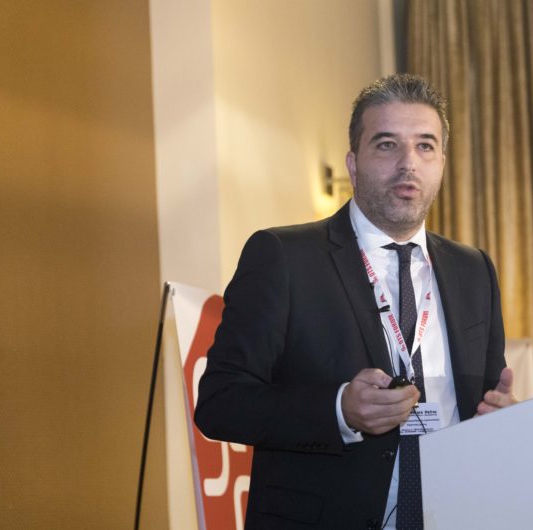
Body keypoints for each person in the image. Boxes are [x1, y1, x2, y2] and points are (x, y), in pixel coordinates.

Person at [195, 73, 516, 530]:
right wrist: (338, 409)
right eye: (386, 144)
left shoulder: (474, 269)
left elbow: (483, 400)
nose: (408, 163)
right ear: (353, 162)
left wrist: (502, 418)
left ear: (442, 162)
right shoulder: (284, 257)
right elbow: (220, 403)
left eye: (425, 146)